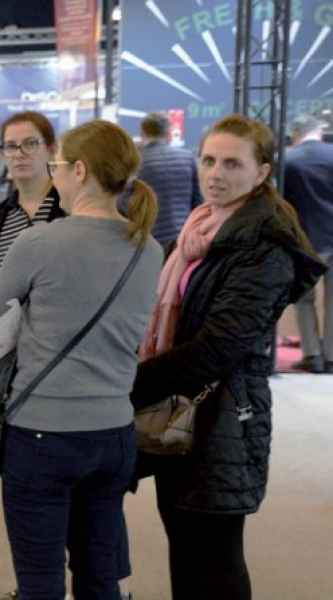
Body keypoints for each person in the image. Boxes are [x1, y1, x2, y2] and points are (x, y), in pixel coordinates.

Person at [132, 114, 327, 600]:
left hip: (223, 420)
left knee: (213, 557)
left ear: (262, 172)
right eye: (208, 160)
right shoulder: (202, 229)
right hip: (184, 411)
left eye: (232, 164)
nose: (215, 174)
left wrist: (131, 385)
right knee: (186, 546)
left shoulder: (264, 245)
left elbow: (217, 347)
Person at [0, 120, 164, 600]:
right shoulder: (149, 249)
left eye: (57, 166)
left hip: (42, 432)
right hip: (114, 433)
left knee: (39, 582)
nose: (54, 175)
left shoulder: (38, 243)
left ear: (80, 171)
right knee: (100, 577)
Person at [0, 111, 67, 332]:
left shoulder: (70, 210)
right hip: (7, 349)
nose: (19, 154)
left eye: (30, 144)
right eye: (11, 146)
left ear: (51, 149)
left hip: (61, 346)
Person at [283, 114, 333, 373]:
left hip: (305, 240)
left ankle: (312, 354)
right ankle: (332, 356)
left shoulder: (288, 160)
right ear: (319, 132)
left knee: (304, 300)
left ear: (295, 134)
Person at [131, 112, 202, 246]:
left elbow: (125, 204)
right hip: (183, 239)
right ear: (169, 132)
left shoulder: (136, 162)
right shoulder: (188, 157)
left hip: (149, 242)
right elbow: (198, 202)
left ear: (142, 133)